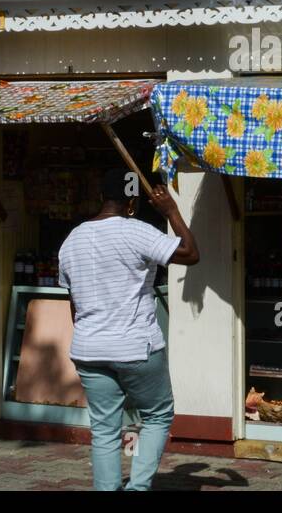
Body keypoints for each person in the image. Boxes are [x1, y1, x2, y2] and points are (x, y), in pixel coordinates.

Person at [58, 167, 199, 491]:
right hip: (135, 347)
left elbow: (74, 305)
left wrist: (93, 336)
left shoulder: (72, 239)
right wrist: (172, 211)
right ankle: (136, 488)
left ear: (101, 198)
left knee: (104, 429)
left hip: (89, 349)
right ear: (132, 204)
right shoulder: (136, 231)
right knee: (158, 415)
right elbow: (191, 253)